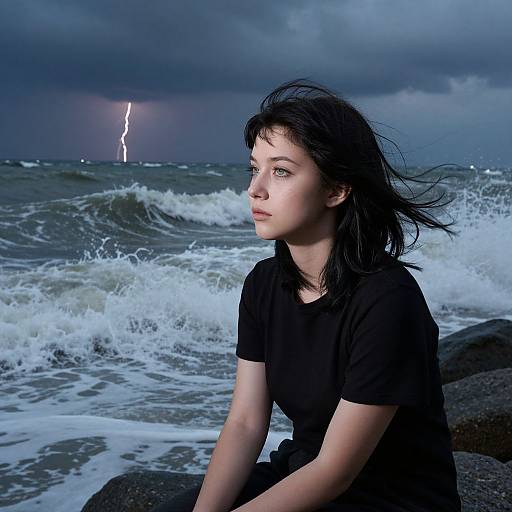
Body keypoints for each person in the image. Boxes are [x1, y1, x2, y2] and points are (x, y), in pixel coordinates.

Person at [149, 79, 462, 512]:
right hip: (301, 470)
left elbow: (336, 470)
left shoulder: (389, 300)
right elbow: (245, 423)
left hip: (389, 497)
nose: (255, 189)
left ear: (336, 189)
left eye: (280, 171)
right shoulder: (263, 285)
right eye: (253, 168)